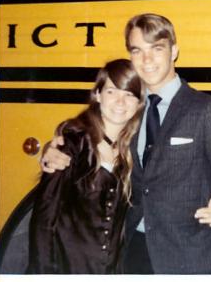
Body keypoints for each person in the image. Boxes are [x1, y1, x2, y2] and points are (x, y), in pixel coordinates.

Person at [41, 13, 211, 274]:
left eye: (156, 48)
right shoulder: (131, 111)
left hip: (190, 256)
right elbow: (88, 130)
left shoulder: (206, 109)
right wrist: (54, 148)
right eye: (137, 51)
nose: (147, 60)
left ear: (174, 51)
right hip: (132, 251)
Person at [27, 59, 145, 273]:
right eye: (111, 91)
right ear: (98, 95)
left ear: (139, 103)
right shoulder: (72, 144)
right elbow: (44, 219)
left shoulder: (135, 150)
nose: (120, 101)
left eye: (129, 94)